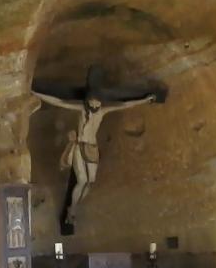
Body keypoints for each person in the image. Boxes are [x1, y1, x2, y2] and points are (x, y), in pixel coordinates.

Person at [33, 91, 156, 224]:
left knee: (90, 182)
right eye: (93, 102)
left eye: (98, 102)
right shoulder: (81, 109)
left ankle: (74, 207)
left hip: (92, 148)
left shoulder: (102, 111)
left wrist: (144, 100)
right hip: (80, 146)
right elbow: (59, 101)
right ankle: (72, 210)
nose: (96, 104)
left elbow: (124, 105)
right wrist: (36, 94)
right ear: (88, 102)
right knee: (82, 180)